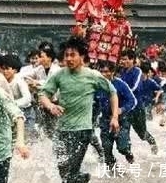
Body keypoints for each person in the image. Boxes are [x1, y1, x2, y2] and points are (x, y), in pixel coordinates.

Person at [39, 36, 119, 183]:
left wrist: (114, 117)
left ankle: (80, 177)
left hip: (82, 131)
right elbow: (43, 94)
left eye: (73, 55)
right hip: (61, 130)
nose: (69, 59)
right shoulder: (59, 75)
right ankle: (83, 178)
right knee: (63, 171)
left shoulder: (92, 76)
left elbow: (112, 92)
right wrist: (50, 106)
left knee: (70, 174)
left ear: (82, 56)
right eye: (66, 55)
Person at [95, 62, 137, 168]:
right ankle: (113, 171)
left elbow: (132, 100)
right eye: (102, 71)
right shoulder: (97, 85)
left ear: (112, 72)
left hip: (121, 120)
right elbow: (93, 102)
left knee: (122, 147)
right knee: (106, 148)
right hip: (105, 120)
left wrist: (121, 109)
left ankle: (128, 152)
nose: (104, 74)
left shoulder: (120, 84)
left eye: (106, 71)